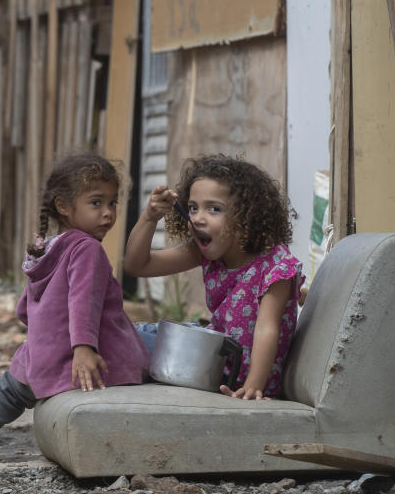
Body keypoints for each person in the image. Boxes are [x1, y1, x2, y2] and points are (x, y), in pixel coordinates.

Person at [0, 152, 151, 463]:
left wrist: (45, 333)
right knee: (152, 347)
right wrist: (83, 347)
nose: (108, 214)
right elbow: (83, 301)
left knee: (8, 391)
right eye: (96, 202)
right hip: (84, 357)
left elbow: (24, 308)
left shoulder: (47, 248)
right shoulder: (88, 249)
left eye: (112, 203)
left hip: (42, 355)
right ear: (63, 206)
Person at [124, 154, 303, 400]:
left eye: (214, 209)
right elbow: (137, 265)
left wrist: (253, 387)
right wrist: (149, 217)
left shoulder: (276, 266)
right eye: (193, 207)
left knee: (123, 342)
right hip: (210, 355)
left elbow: (266, 329)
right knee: (128, 333)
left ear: (246, 217)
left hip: (232, 375)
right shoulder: (205, 253)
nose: (197, 218)